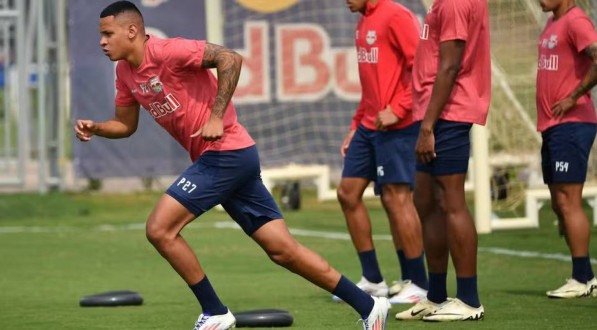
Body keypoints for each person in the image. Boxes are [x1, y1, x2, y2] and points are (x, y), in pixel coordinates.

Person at [74, 2, 391, 329]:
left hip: (225, 154)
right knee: (283, 251)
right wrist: (97, 127)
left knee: (159, 229)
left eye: (108, 34)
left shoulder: (170, 51)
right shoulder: (125, 73)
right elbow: (125, 125)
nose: (102, 41)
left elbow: (230, 58)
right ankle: (368, 305)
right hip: (230, 159)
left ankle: (214, 312)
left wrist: (215, 116)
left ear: (131, 31)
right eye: (101, 35)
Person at [395, 0, 490, 321]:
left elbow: (450, 66)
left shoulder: (453, 3)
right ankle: (435, 295)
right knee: (425, 201)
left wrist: (427, 126)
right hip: (433, 114)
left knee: (451, 202)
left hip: (447, 114)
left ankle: (469, 298)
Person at [337, 0, 428, 305]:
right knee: (348, 193)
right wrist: (354, 126)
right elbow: (371, 85)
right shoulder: (363, 20)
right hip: (369, 122)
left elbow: (423, 66)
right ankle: (373, 280)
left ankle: (418, 283)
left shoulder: (396, 15)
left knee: (396, 197)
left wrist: (398, 108)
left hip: (399, 124)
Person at [536, 0, 597, 298]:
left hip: (572, 123)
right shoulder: (551, 23)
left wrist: (574, 96)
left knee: (568, 199)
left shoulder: (576, 21)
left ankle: (584, 278)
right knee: (559, 202)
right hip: (552, 126)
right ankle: (582, 274)